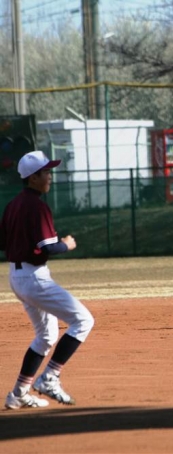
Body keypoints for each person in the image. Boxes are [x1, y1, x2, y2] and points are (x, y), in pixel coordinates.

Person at [1, 151, 95, 410]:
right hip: (34, 278)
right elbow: (49, 248)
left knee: (46, 335)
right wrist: (67, 244)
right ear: (33, 178)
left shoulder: (13, 205)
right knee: (83, 320)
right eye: (46, 172)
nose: (50, 176)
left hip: (17, 276)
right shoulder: (38, 206)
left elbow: (2, 242)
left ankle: (19, 393)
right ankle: (50, 377)